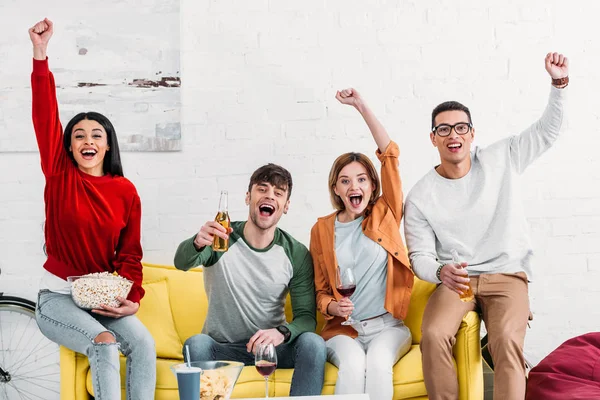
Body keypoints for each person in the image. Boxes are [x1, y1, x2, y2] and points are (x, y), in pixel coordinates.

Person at [403, 52, 569, 400]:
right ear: (432, 138)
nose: (454, 134)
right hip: (458, 281)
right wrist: (440, 271)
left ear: (472, 133)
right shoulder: (420, 196)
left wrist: (558, 84)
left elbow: (547, 133)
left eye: (461, 127)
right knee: (433, 335)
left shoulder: (501, 157)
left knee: (507, 340)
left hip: (506, 274)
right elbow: (418, 255)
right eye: (444, 128)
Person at [30, 18, 156, 399]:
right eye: (78, 136)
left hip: (103, 300)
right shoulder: (59, 175)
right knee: (103, 342)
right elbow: (44, 116)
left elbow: (130, 255)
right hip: (58, 299)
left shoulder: (125, 191)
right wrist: (40, 54)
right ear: (68, 147)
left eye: (96, 135)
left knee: (144, 346)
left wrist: (131, 299)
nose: (87, 140)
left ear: (107, 145)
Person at [174, 163, 326, 396]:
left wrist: (281, 333)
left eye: (278, 193)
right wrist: (197, 241)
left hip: (273, 350)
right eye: (262, 189)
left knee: (313, 344)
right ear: (248, 197)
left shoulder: (295, 253)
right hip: (224, 349)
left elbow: (306, 318)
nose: (269, 196)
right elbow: (182, 262)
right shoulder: (221, 239)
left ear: (286, 206)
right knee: (196, 344)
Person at [310, 88, 414, 399]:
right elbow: (320, 291)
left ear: (372, 185)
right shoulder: (322, 229)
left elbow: (390, 154)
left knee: (379, 363)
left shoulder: (385, 213)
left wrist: (360, 106)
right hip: (344, 330)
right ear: (336, 189)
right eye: (345, 180)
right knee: (354, 365)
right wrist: (332, 305)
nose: (353, 185)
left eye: (361, 179)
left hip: (388, 327)